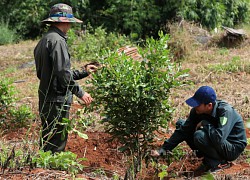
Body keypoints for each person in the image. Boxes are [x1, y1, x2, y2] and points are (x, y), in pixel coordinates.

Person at [34, 3, 98, 153]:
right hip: (57, 101)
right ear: (64, 21)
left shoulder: (44, 40)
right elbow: (63, 74)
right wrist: (81, 93)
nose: (70, 25)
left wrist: (84, 71)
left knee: (48, 138)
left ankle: (45, 165)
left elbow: (52, 73)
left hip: (46, 99)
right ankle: (54, 171)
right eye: (69, 22)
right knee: (56, 142)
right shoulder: (58, 41)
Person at [151, 86, 247, 172]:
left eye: (197, 104)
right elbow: (183, 131)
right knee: (181, 124)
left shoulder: (225, 112)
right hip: (218, 142)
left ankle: (219, 162)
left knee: (199, 135)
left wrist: (205, 124)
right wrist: (162, 150)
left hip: (232, 147)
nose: (194, 106)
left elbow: (219, 138)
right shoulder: (196, 111)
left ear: (209, 105)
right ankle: (207, 156)